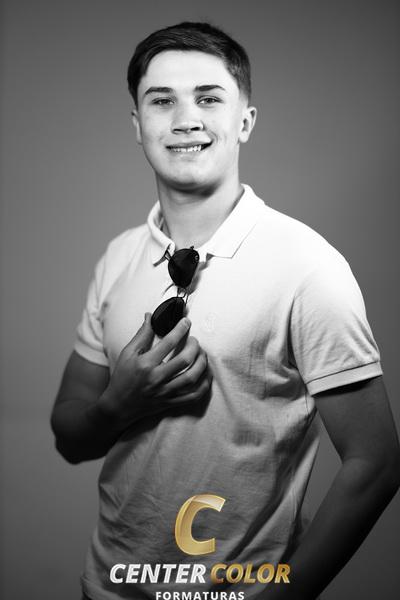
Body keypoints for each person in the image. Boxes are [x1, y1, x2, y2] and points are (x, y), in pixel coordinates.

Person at [51, 21, 400, 600]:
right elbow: (69, 437)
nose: (186, 119)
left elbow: (377, 462)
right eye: (162, 100)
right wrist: (118, 406)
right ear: (137, 125)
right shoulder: (117, 257)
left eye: (209, 98)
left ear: (245, 121)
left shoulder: (307, 266)